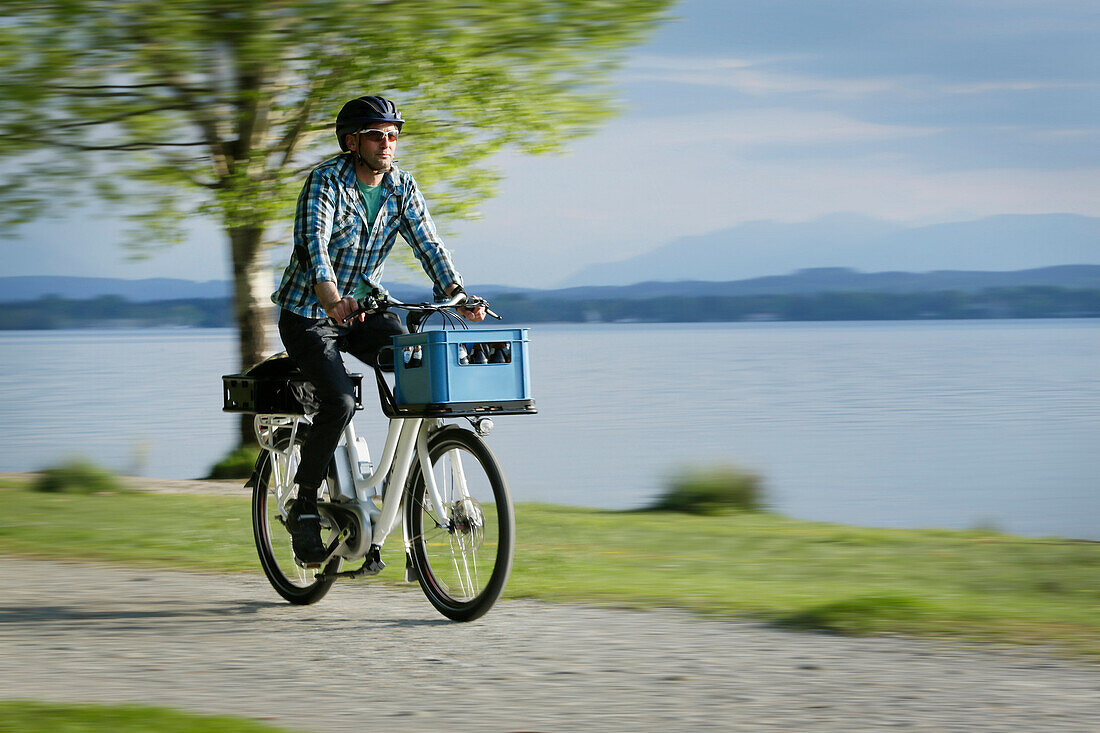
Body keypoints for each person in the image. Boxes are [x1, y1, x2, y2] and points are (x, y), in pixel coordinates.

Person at [271, 95, 485, 563]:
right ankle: (305, 507)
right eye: (376, 135)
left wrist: (458, 293)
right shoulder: (325, 181)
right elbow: (314, 247)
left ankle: (401, 488)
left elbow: (428, 241)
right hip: (310, 314)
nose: (388, 143)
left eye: (393, 135)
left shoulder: (402, 187)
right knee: (340, 401)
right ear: (353, 141)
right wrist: (331, 300)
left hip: (365, 310)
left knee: (416, 366)